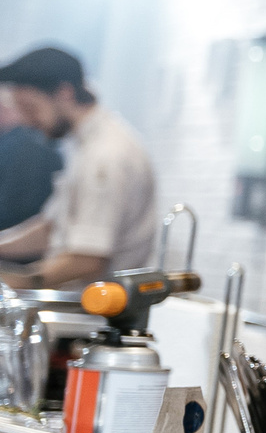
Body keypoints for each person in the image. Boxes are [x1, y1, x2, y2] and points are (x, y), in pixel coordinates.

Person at [0, 46, 159, 288]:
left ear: (64, 93)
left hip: (96, 315)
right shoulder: (85, 145)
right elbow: (53, 227)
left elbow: (87, 260)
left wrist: (17, 282)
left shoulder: (106, 154)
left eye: (31, 108)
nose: (27, 121)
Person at [0, 89, 62, 237]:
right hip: (25, 234)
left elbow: (13, 207)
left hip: (21, 238)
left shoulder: (21, 145)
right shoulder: (38, 140)